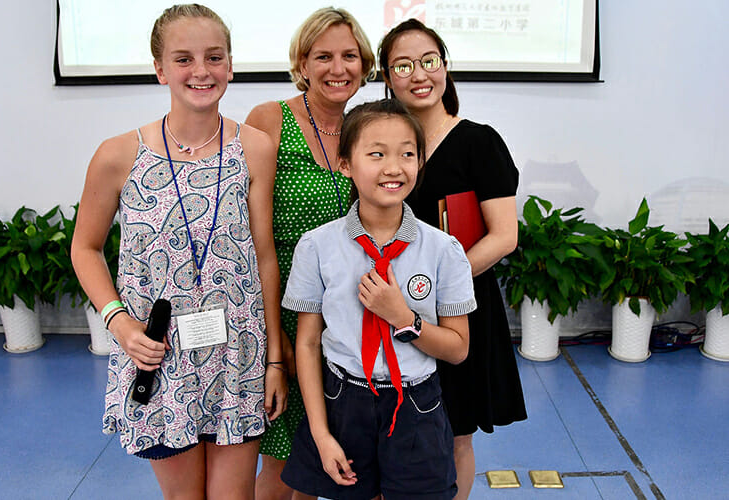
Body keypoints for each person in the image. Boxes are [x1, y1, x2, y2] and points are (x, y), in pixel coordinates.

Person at [70, 5, 287, 499]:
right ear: (160, 69)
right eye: (183, 59)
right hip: (158, 354)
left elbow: (264, 256)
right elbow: (85, 248)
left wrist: (274, 359)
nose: (201, 71)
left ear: (230, 65)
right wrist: (119, 322)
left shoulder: (253, 147)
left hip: (239, 353)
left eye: (214, 57)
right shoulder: (118, 154)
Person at [279, 98, 476, 500]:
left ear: (420, 162)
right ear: (346, 164)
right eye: (377, 154)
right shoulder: (317, 246)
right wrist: (321, 433)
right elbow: (308, 342)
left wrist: (403, 317)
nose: (393, 167)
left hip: (415, 403)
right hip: (343, 400)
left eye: (407, 153)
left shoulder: (444, 249)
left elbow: (457, 349)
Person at [378, 19, 528, 500]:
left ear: (445, 67)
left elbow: (503, 237)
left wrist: (436, 291)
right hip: (385, 307)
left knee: (454, 430)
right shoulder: (383, 141)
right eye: (403, 65)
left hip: (457, 310)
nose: (418, 74)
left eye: (429, 61)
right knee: (388, 423)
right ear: (386, 76)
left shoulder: (479, 142)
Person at [244, 8, 375, 499]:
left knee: (331, 453)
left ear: (364, 66)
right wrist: (275, 349)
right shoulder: (270, 119)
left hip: (350, 312)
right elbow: (249, 234)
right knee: (282, 457)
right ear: (301, 63)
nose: (337, 68)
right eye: (323, 56)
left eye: (349, 56)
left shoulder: (368, 127)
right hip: (281, 307)